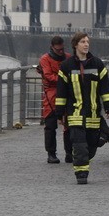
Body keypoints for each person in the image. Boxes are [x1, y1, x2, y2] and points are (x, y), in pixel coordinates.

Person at [55, 32, 109, 184]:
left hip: (93, 114)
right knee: (79, 145)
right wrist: (59, 113)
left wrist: (108, 107)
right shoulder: (66, 66)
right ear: (75, 45)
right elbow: (61, 92)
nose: (86, 44)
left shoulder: (97, 64)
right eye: (83, 42)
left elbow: (105, 88)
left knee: (91, 146)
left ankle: (84, 161)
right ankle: (81, 174)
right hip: (75, 114)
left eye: (87, 42)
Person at [38, 35, 71, 164]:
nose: (61, 52)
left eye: (62, 49)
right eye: (58, 50)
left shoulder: (68, 57)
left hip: (64, 93)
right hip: (51, 94)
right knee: (50, 125)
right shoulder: (45, 59)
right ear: (52, 47)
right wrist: (65, 80)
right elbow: (48, 76)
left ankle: (69, 153)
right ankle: (51, 153)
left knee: (69, 125)